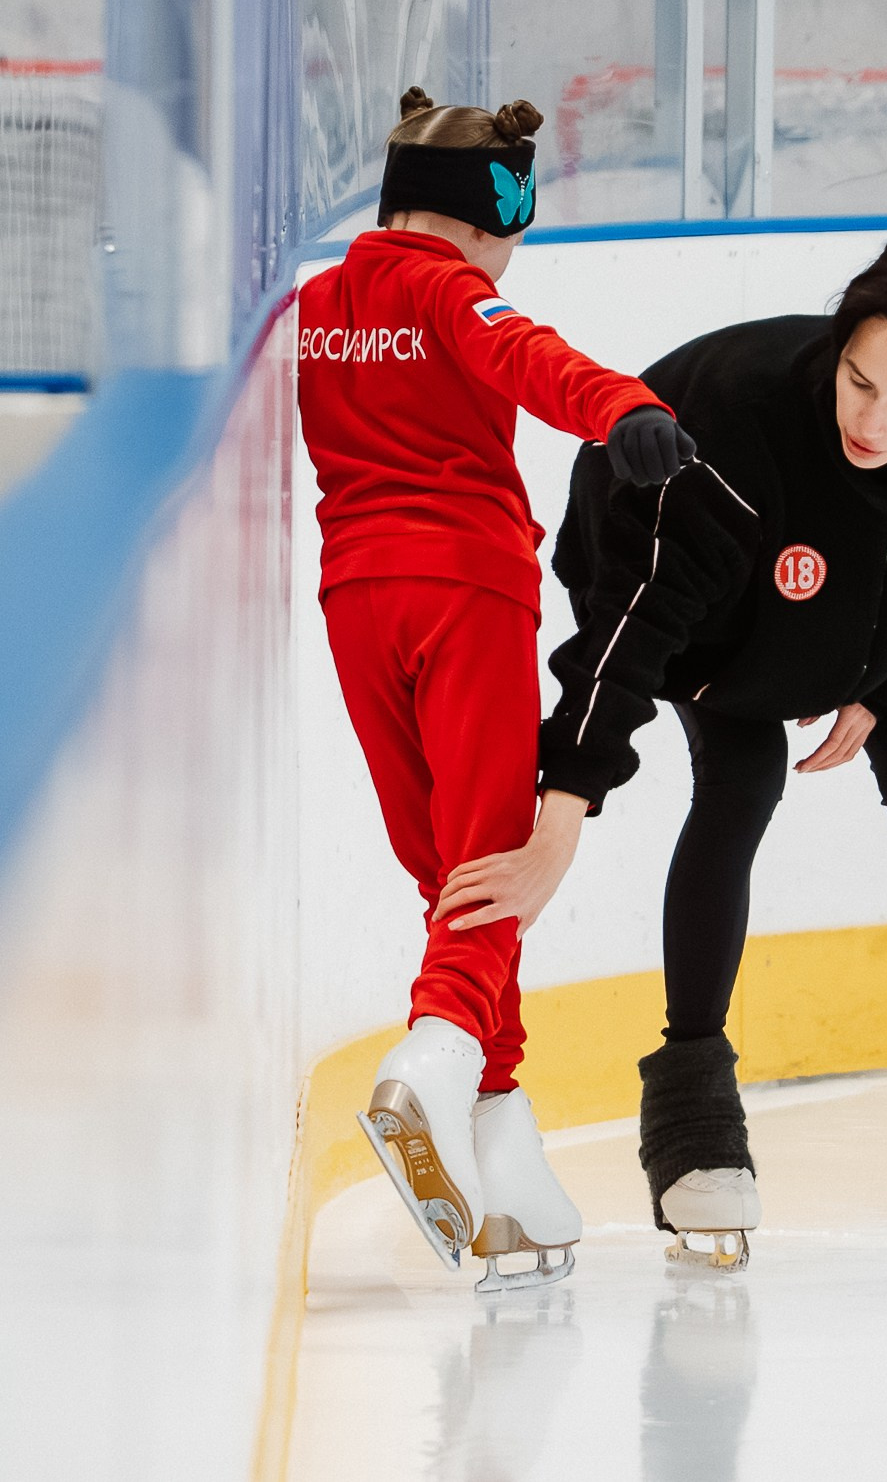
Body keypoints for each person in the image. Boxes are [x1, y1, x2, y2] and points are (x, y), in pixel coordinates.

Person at [437, 238, 887, 1270]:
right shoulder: (731, 432)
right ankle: (695, 1124)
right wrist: (561, 808)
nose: (870, 422)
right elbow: (630, 632)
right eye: (857, 380)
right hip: (707, 617)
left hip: (881, 626)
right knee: (739, 784)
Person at [297, 87, 699, 1291]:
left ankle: (506, 1163)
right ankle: (430, 1061)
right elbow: (524, 355)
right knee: (486, 854)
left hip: (355, 599)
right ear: (491, 215)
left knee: (447, 869)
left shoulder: (317, 307)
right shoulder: (449, 288)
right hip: (465, 590)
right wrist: (625, 408)